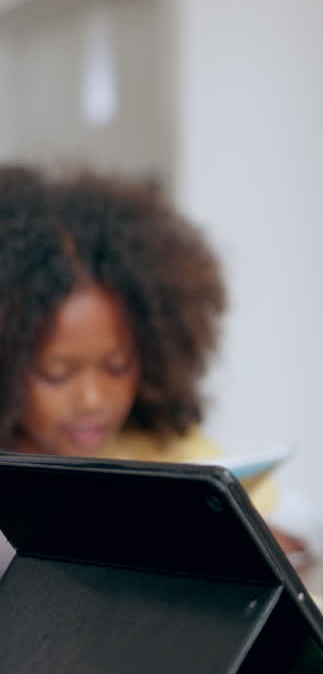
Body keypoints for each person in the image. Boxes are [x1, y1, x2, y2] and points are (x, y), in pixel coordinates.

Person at [0, 165, 298, 564]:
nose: (92, 399)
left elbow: (286, 528)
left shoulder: (167, 451)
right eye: (57, 373)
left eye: (117, 366)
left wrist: (270, 540)